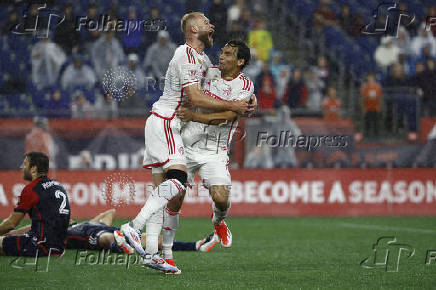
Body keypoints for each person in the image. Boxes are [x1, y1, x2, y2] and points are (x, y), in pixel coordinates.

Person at [119, 12, 253, 274]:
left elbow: (231, 109)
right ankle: (132, 229)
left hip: (198, 141)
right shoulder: (186, 54)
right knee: (176, 186)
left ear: (240, 62)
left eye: (228, 53)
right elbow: (196, 97)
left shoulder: (203, 61)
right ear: (193, 29)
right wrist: (234, 105)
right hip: (170, 124)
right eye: (206, 23)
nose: (212, 25)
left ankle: (154, 255)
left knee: (164, 191)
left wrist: (246, 103)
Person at [174, 40, 254, 261]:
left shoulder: (246, 85)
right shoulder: (208, 72)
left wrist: (195, 116)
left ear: (240, 61)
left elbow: (228, 118)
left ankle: (218, 222)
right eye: (222, 52)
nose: (222, 56)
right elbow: (190, 91)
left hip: (216, 150)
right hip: (188, 144)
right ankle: (163, 251)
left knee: (220, 198)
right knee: (174, 198)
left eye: (228, 54)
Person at [4, 209, 220, 253]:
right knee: (105, 239)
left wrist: (94, 219)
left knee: (155, 239)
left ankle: (197, 245)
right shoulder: (60, 231)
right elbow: (31, 229)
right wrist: (8, 236)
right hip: (89, 236)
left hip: (106, 229)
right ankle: (119, 244)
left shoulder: (90, 222)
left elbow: (111, 211)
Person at [0, 152, 70, 256]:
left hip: (39, 245)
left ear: (33, 168)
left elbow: (11, 224)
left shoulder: (31, 190)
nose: (21, 167)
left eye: (24, 164)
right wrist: (16, 233)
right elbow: (48, 223)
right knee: (9, 237)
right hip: (59, 248)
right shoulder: (58, 186)